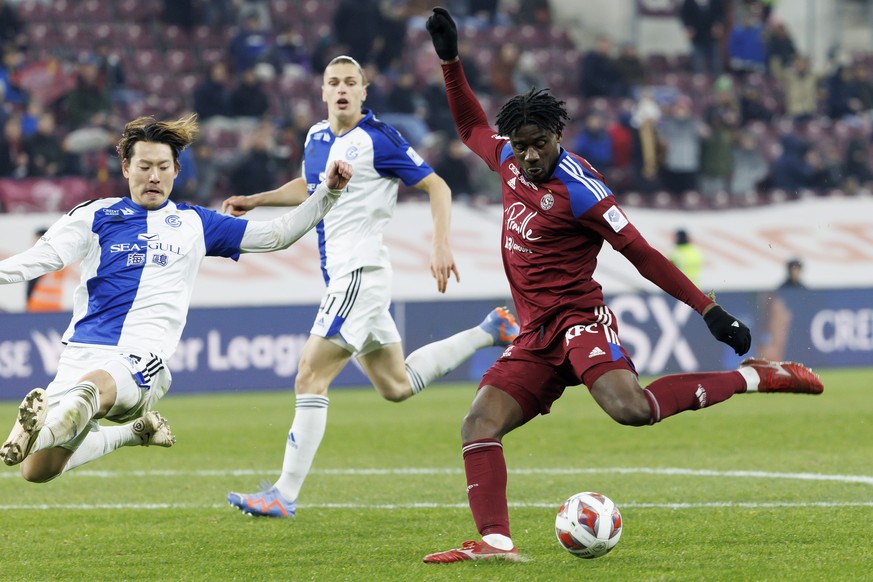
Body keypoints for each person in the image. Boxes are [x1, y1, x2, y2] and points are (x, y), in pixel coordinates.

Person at [422, 7, 824, 563]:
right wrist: (450, 61)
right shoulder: (510, 163)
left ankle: (754, 379)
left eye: (539, 142)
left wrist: (707, 309)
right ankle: (495, 542)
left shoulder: (582, 189)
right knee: (477, 423)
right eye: (521, 145)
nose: (530, 154)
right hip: (535, 333)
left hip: (578, 321)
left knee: (632, 411)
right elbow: (470, 127)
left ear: (557, 135)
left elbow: (640, 253)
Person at [221, 55, 519, 518]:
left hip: (360, 272)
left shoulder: (379, 139)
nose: (341, 89)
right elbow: (310, 186)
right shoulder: (317, 136)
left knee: (309, 374)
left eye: (350, 82)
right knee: (396, 385)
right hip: (345, 277)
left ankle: (284, 492)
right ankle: (489, 330)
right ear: (322, 93)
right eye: (333, 82)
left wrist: (441, 244)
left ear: (363, 92)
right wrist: (257, 200)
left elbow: (438, 186)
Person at [0, 113, 354, 481]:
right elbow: (40, 259)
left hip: (142, 359)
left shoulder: (195, 223)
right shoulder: (95, 216)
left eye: (162, 167)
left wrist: (328, 193)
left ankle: (38, 431)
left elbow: (277, 235)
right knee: (36, 471)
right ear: (125, 168)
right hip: (81, 352)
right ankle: (129, 432)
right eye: (144, 166)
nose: (153, 176)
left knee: (90, 390)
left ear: (176, 170)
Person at [26, 228, 66, 312]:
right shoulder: (62, 258)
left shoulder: (40, 260)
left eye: (36, 240)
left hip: (38, 307)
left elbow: (31, 285)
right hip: (53, 307)